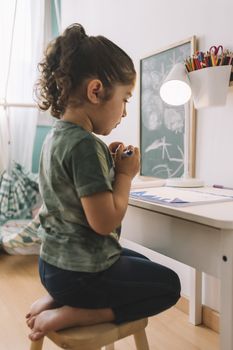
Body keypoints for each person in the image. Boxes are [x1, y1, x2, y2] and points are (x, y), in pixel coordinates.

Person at [26, 23, 181, 341]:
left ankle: (57, 296)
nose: (125, 111)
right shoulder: (85, 145)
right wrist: (124, 175)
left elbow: (73, 199)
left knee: (140, 261)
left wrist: (108, 169)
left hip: (53, 265)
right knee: (169, 285)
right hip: (79, 275)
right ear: (96, 91)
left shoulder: (58, 137)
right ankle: (78, 311)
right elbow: (104, 222)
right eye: (125, 99)